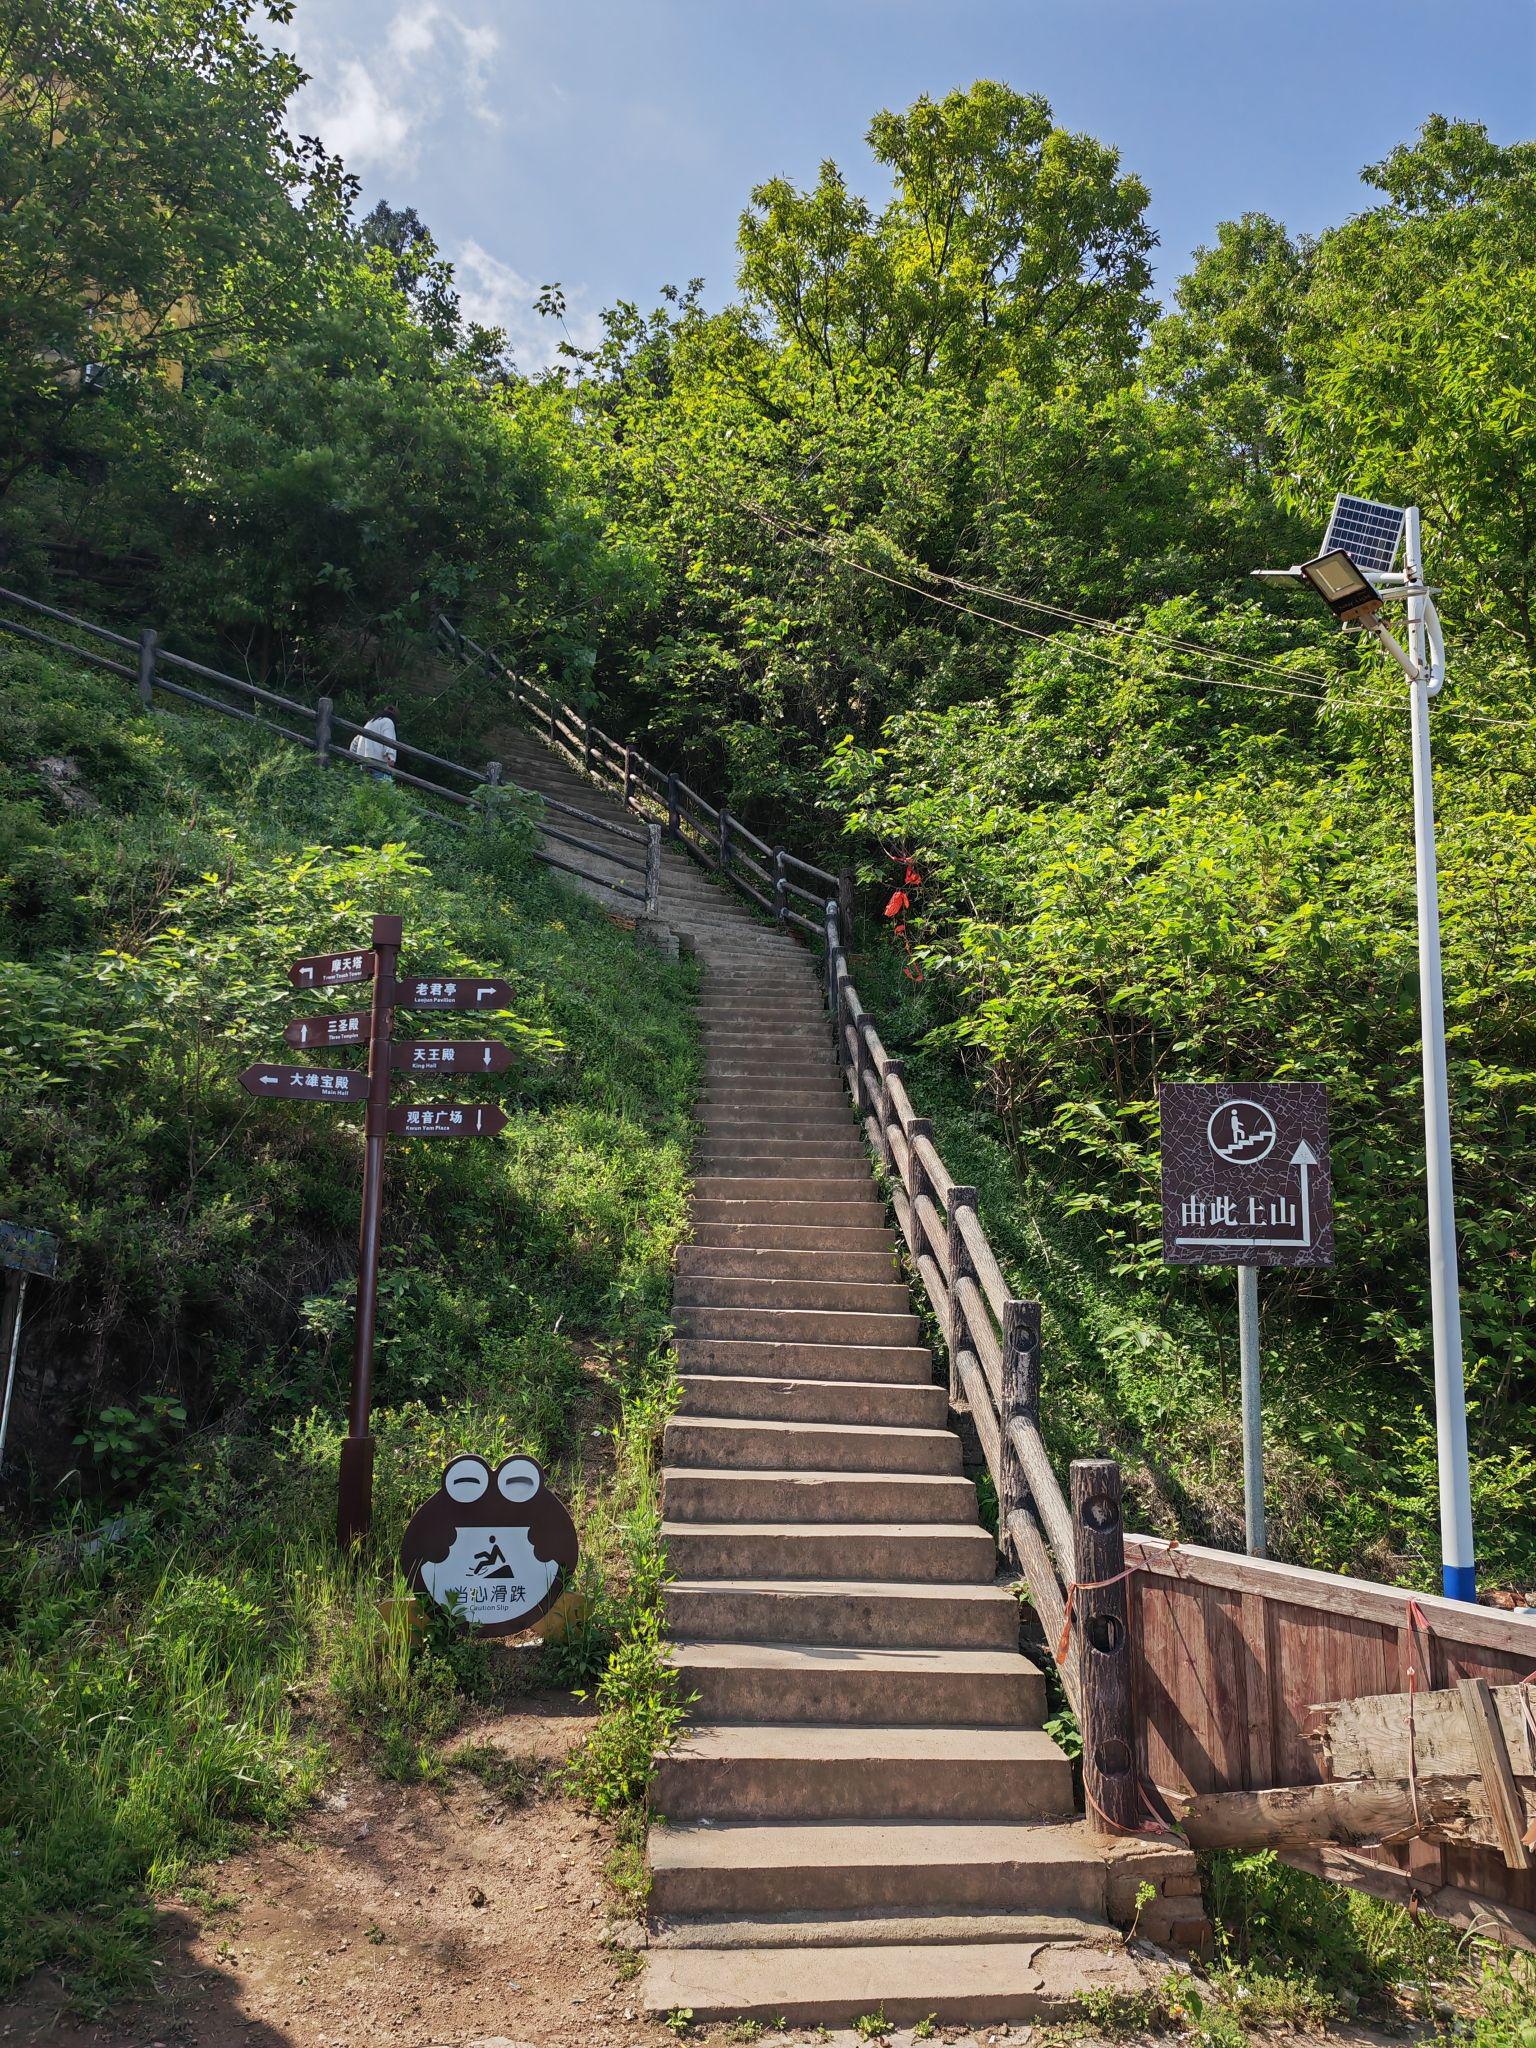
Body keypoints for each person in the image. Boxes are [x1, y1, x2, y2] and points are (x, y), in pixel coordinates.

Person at [349, 705, 398, 781]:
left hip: (364, 760)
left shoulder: (370, 722)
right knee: (384, 789)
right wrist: (391, 758)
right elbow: (389, 740)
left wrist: (355, 756)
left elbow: (355, 741)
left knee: (366, 787)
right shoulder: (388, 722)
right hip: (379, 761)